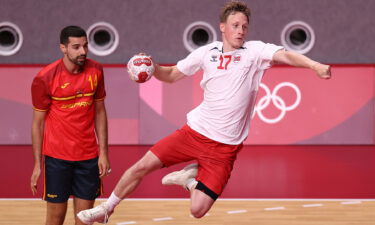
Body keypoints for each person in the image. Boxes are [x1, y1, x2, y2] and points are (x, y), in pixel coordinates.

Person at [77, 1, 331, 224]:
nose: (240, 30)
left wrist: (314, 65)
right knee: (140, 167)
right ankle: (106, 209)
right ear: (223, 27)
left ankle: (188, 178)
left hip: (225, 149)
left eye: (244, 26)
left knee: (197, 210)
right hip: (193, 133)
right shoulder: (206, 53)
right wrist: (152, 67)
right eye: (235, 25)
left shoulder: (255, 51)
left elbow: (286, 55)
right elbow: (173, 74)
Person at [30, 25, 111, 225]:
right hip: (57, 159)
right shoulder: (45, 77)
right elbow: (37, 124)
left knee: (84, 220)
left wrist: (103, 153)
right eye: (76, 47)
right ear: (63, 48)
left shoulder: (96, 71)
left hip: (88, 159)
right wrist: (37, 164)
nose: (82, 51)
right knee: (55, 219)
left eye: (85, 46)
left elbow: (100, 112)